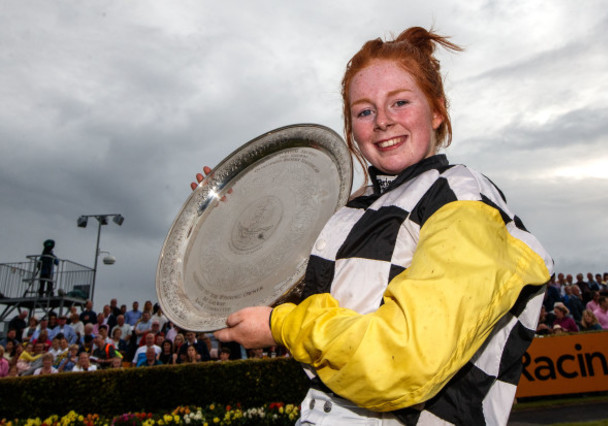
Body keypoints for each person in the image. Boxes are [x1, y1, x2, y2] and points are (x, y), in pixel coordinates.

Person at [205, 27, 552, 425]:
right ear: (351, 129)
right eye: (365, 111)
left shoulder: (460, 197)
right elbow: (281, 290)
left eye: (400, 102)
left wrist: (280, 327)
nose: (383, 121)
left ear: (437, 111)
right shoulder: (350, 210)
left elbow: (401, 359)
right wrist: (231, 222)